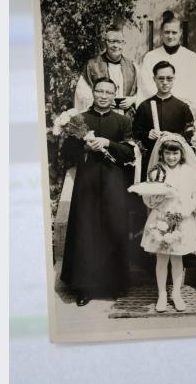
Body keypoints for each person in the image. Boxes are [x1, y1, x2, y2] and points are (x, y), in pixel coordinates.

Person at [60, 78, 136, 306]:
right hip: (87, 183)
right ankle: (84, 287)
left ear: (114, 95)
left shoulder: (123, 121)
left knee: (114, 228)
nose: (104, 96)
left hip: (114, 183)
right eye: (100, 91)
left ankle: (114, 284)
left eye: (108, 92)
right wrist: (84, 146)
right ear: (93, 92)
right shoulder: (80, 119)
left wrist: (108, 143)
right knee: (86, 231)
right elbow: (66, 152)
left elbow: (129, 153)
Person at [138, 134, 196, 312]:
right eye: (168, 153)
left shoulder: (189, 172)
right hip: (161, 219)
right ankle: (162, 294)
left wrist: (188, 208)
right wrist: (156, 198)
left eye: (175, 153)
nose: (171, 157)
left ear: (181, 153)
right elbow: (149, 198)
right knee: (162, 259)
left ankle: (176, 294)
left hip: (182, 219)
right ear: (162, 154)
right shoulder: (156, 171)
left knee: (178, 259)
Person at [133, 60, 195, 178]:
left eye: (169, 78)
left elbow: (190, 133)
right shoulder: (144, 106)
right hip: (151, 161)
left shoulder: (182, 107)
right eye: (161, 79)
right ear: (154, 79)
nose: (165, 82)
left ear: (174, 78)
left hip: (176, 161)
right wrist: (147, 134)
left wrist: (173, 136)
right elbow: (135, 133)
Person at [137, 12, 196, 107]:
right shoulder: (150, 57)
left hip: (182, 108)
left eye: (174, 32)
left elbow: (193, 89)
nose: (170, 36)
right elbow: (146, 86)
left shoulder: (191, 57)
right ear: (161, 33)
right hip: (157, 107)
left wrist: (177, 105)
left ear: (180, 33)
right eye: (167, 32)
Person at [73, 24, 140, 114]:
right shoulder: (92, 66)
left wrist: (133, 99)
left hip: (125, 116)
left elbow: (143, 91)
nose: (115, 45)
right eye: (111, 41)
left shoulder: (132, 66)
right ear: (105, 43)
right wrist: (102, 100)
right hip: (100, 115)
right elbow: (81, 94)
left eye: (119, 42)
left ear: (124, 43)